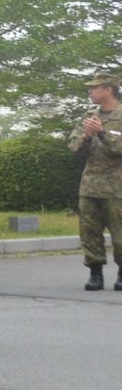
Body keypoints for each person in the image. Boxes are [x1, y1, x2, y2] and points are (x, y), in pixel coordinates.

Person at [69, 73, 122, 292]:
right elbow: (73, 147)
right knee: (89, 232)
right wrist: (87, 136)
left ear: (108, 89)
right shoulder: (90, 116)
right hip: (90, 185)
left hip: (117, 187)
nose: (90, 91)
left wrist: (102, 133)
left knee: (120, 235)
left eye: (94, 87)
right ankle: (95, 273)